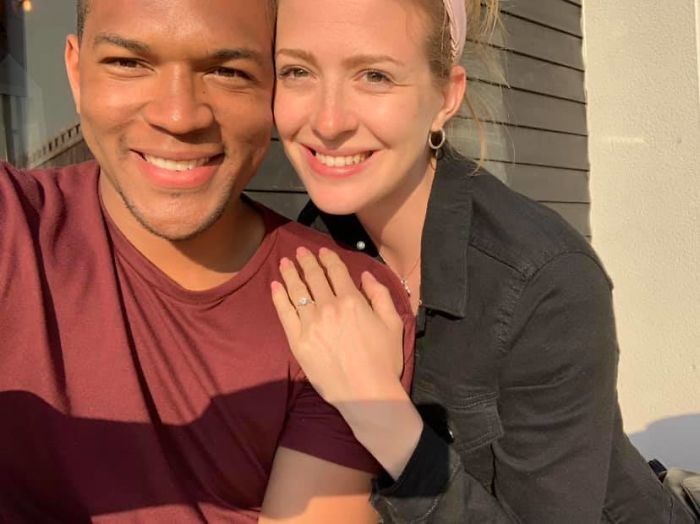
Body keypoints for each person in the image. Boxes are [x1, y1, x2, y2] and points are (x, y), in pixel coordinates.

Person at [270, 0, 697, 521]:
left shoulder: (545, 281)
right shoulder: (314, 244)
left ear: (446, 97)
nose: (327, 120)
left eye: (375, 76)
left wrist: (376, 408)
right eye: (297, 71)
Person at [0, 0, 415, 521]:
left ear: (274, 90)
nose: (178, 116)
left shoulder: (343, 304)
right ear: (76, 72)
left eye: (227, 71)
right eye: (128, 63)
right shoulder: (15, 226)